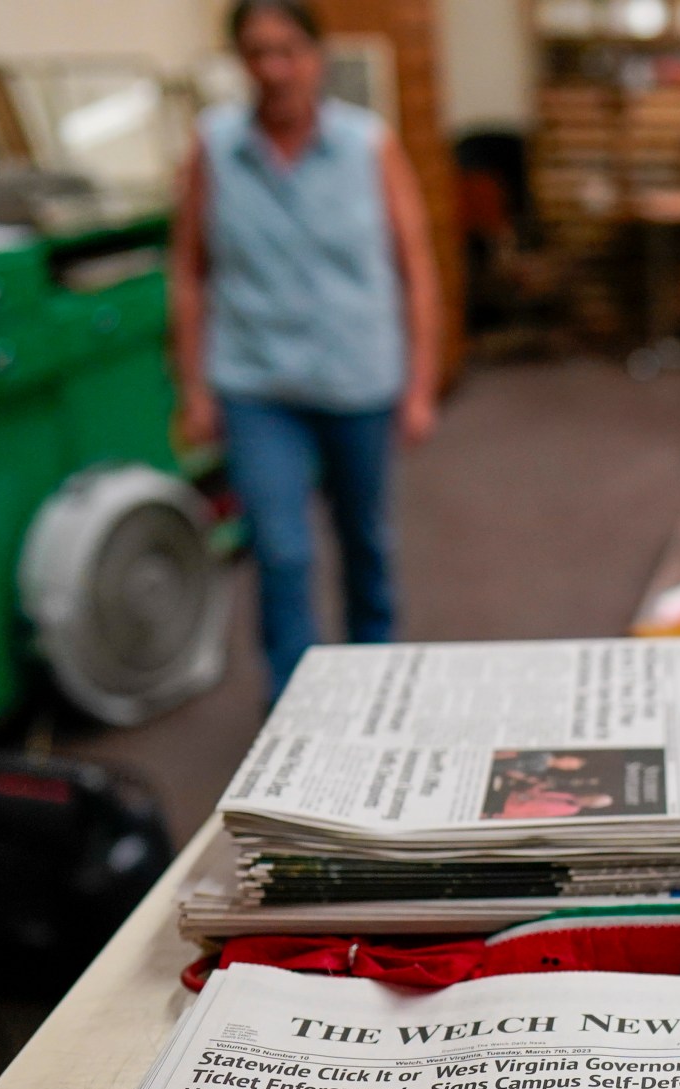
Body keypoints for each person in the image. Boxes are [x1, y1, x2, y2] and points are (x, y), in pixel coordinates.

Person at [170, 0, 442, 697]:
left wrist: (420, 385)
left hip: (358, 377)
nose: (274, 68)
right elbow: (189, 273)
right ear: (241, 61)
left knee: (365, 543)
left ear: (316, 56)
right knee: (281, 551)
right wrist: (195, 389)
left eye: (287, 50)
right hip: (258, 382)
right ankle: (292, 708)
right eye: (257, 52)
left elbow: (416, 267)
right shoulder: (215, 146)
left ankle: (377, 686)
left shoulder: (367, 144)